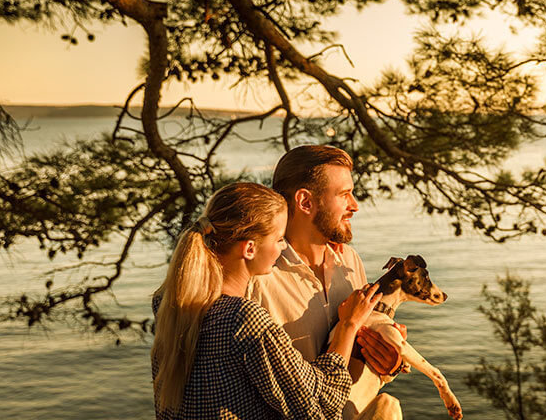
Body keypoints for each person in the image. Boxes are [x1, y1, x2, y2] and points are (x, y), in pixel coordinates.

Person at [150, 182, 382, 420]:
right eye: (280, 239)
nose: (283, 248)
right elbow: (321, 404)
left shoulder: (171, 304)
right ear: (249, 248)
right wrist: (348, 326)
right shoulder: (243, 319)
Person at [249, 145, 404, 419]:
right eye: (344, 195)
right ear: (305, 202)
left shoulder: (350, 262)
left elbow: (360, 357)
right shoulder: (260, 277)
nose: (354, 205)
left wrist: (387, 365)